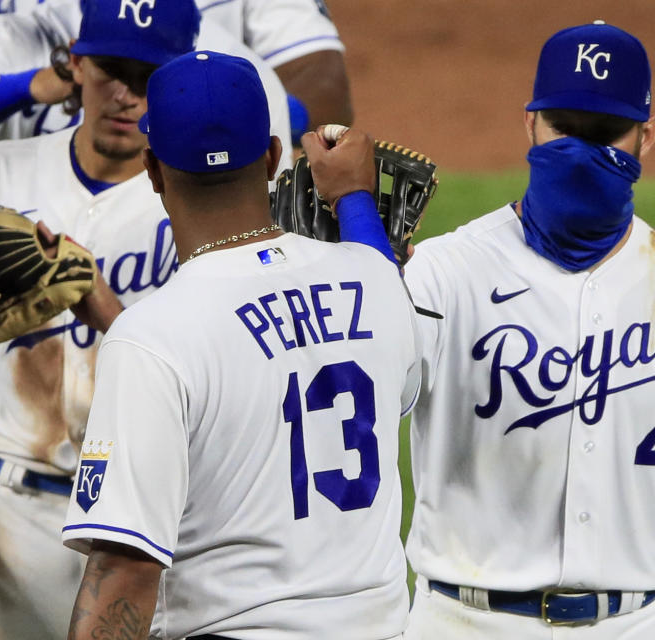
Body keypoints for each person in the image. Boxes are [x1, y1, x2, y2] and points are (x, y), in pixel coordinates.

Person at [401, 22, 655, 640]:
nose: (580, 150)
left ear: (647, 136)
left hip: (638, 625)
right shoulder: (441, 274)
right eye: (564, 128)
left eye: (604, 134)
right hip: (466, 623)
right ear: (530, 124)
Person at [62, 50, 418, 640]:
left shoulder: (152, 336)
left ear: (152, 170)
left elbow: (124, 569)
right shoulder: (377, 280)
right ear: (274, 157)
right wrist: (353, 202)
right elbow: (394, 385)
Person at [0, 3, 268, 639]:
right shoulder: (1, 176)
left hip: (156, 523)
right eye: (111, 71)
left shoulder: (206, 202)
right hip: (17, 517)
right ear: (77, 63)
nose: (124, 95)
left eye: (147, 79)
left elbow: (233, 372)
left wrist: (106, 307)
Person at [0, 0, 348, 144]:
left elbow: (323, 80)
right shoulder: (14, 32)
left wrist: (244, 117)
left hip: (177, 201)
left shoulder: (221, 53)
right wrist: (30, 85)